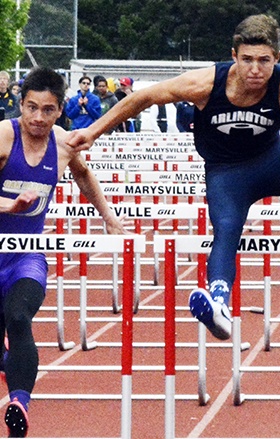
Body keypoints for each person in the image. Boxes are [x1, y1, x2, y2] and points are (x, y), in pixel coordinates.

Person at [65, 14, 280, 341]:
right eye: (247, 59)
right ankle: (219, 303)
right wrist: (94, 131)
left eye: (264, 60)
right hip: (227, 173)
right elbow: (143, 98)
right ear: (234, 56)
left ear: (277, 58)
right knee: (226, 229)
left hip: (274, 160)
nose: (255, 69)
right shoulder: (205, 82)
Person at [0, 67, 126, 437]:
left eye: (48, 110)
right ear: (20, 104)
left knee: (19, 316)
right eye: (31, 108)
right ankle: (10, 361)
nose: (37, 118)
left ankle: (19, 404)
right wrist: (8, 207)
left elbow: (83, 174)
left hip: (27, 255)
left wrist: (108, 217)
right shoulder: (3, 139)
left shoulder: (64, 144)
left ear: (60, 111)